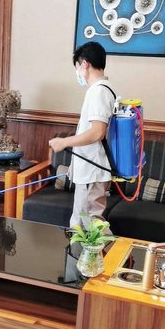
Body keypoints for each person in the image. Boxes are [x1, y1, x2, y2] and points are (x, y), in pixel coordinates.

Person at [49, 41, 116, 228]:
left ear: (84, 64)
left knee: (87, 227)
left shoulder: (99, 92)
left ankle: (112, 249)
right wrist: (75, 165)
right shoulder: (104, 89)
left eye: (77, 67)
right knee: (88, 224)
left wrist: (64, 142)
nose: (78, 73)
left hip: (92, 171)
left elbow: (97, 132)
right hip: (90, 169)